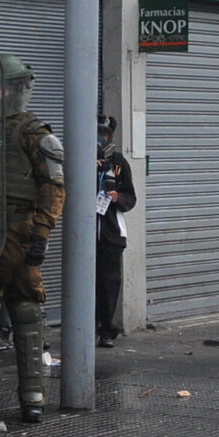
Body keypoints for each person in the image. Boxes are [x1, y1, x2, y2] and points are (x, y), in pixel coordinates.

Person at [0, 53, 65, 423]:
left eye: (7, 87)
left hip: (17, 228)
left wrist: (42, 231)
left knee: (25, 308)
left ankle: (32, 395)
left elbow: (54, 185)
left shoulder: (33, 133)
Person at [95, 114, 136, 348]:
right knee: (86, 282)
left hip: (111, 234)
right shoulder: (83, 158)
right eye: (97, 133)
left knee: (109, 282)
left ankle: (107, 329)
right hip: (86, 234)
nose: (100, 138)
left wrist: (117, 197)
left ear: (112, 135)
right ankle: (86, 326)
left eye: (104, 133)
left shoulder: (119, 162)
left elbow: (131, 196)